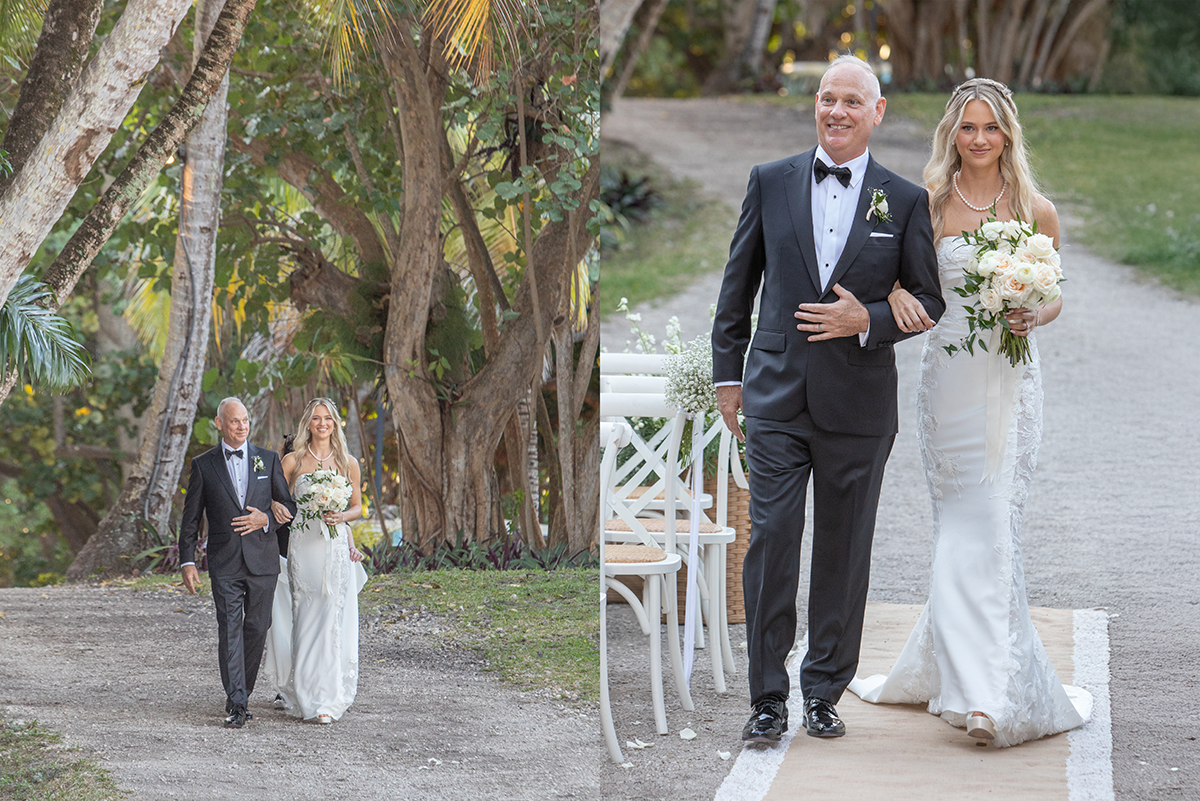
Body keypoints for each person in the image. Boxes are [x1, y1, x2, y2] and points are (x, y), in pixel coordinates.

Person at [848, 78, 1092, 746]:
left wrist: (1033, 311)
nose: (979, 139)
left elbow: (1055, 296)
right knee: (959, 524)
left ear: (1007, 133)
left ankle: (987, 695)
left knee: (992, 525)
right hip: (947, 385)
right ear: (951, 134)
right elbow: (894, 276)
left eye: (990, 128)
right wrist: (897, 295)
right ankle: (967, 671)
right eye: (967, 127)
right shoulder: (925, 206)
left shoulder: (1035, 209)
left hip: (1011, 385)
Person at [711, 54, 945, 744]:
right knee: (773, 541)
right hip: (777, 398)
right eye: (825, 99)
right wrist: (729, 379)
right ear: (815, 107)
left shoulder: (903, 201)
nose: (836, 111)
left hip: (859, 407)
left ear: (877, 112)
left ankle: (823, 690)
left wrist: (866, 319)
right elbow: (737, 288)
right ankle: (766, 696)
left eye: (851, 101)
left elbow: (928, 297)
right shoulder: (770, 181)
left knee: (844, 551)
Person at [179, 397, 296, 728]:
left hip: (263, 559)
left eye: (245, 420)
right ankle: (238, 702)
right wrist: (187, 560)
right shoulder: (204, 465)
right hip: (224, 560)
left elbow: (288, 506)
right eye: (234, 421)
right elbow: (191, 519)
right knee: (229, 628)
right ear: (219, 424)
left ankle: (240, 691)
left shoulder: (268, 460)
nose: (242, 426)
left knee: (258, 627)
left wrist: (267, 521)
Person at [264, 398, 367, 724]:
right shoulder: (293, 461)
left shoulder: (347, 462)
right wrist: (280, 509)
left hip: (334, 545)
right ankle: (305, 694)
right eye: (316, 418)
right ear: (308, 423)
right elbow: (273, 496)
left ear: (335, 423)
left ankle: (327, 698)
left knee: (329, 615)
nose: (322, 423)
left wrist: (341, 515)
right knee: (305, 612)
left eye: (328, 418)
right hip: (303, 544)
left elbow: (358, 508)